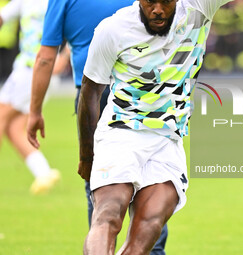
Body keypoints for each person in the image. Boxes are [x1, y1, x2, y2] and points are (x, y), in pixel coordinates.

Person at [77, 0, 232, 254]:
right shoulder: (113, 29)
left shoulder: (199, 8)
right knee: (108, 215)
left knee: (146, 232)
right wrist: (87, 156)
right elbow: (90, 91)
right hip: (120, 133)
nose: (158, 9)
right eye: (150, 1)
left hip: (167, 142)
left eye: (166, 1)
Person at [27, 0, 168, 254]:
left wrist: (35, 111)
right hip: (140, 92)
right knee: (151, 175)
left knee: (98, 182)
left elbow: (46, 57)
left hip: (91, 94)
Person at [0, 0, 60, 194]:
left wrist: (65, 58)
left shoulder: (57, 2)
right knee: (14, 127)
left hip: (36, 70)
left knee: (1, 116)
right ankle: (43, 173)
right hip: (25, 68)